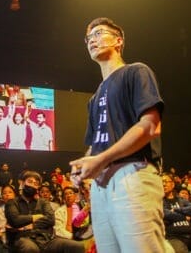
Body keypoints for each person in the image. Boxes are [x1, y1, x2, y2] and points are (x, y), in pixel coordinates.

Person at [69, 17, 169, 253]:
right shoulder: (93, 98)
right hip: (101, 185)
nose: (92, 40)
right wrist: (84, 164)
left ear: (118, 40)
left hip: (132, 173)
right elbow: (95, 146)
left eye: (99, 33)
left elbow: (151, 126)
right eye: (88, 38)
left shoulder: (136, 71)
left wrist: (102, 159)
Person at [4, 170, 84, 253]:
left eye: (36, 184)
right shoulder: (12, 202)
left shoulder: (43, 202)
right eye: (30, 182)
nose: (33, 185)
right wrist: (37, 217)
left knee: (77, 246)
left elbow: (51, 219)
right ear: (22, 183)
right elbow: (15, 220)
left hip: (46, 239)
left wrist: (30, 225)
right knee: (30, 248)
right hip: (23, 238)